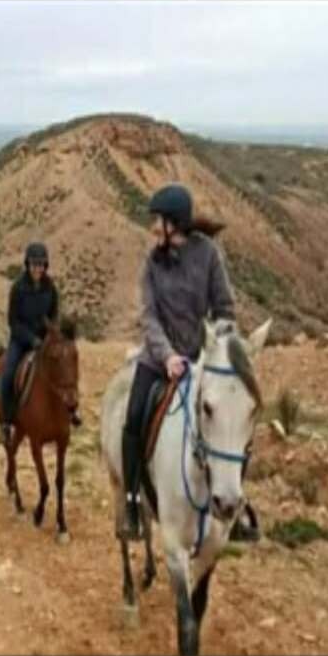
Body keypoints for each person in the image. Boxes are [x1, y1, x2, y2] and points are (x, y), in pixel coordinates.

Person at [122, 183, 237, 539]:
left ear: (174, 224)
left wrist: (218, 346)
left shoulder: (208, 256)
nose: (154, 227)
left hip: (200, 361)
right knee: (133, 419)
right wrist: (168, 355)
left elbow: (225, 309)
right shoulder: (151, 264)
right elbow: (148, 316)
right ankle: (131, 502)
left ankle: (238, 509)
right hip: (158, 360)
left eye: (158, 220)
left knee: (232, 421)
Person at [0, 242, 81, 442]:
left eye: (41, 264)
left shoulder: (50, 288)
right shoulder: (17, 288)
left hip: (45, 339)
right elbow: (13, 321)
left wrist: (51, 335)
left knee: (65, 367)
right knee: (8, 375)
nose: (38, 268)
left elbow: (53, 315)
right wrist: (31, 339)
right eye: (34, 264)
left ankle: (71, 411)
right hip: (21, 340)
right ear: (27, 265)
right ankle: (8, 422)